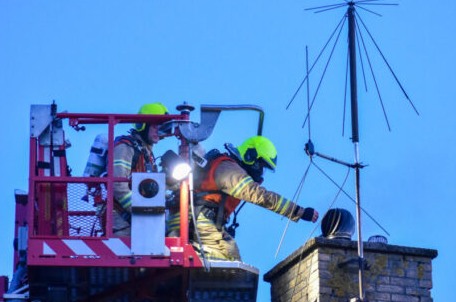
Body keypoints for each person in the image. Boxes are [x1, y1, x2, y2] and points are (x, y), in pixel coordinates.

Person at [173, 135, 318, 260]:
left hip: (195, 219)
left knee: (228, 259)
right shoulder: (230, 170)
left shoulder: (227, 165)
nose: (260, 171)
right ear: (250, 156)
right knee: (228, 258)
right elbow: (260, 196)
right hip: (196, 220)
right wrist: (299, 211)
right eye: (260, 165)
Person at [112, 102, 167, 236]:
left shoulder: (146, 153)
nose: (158, 130)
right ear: (142, 126)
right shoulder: (125, 147)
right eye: (154, 126)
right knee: (122, 256)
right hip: (120, 221)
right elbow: (117, 185)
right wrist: (141, 210)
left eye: (161, 126)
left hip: (135, 219)